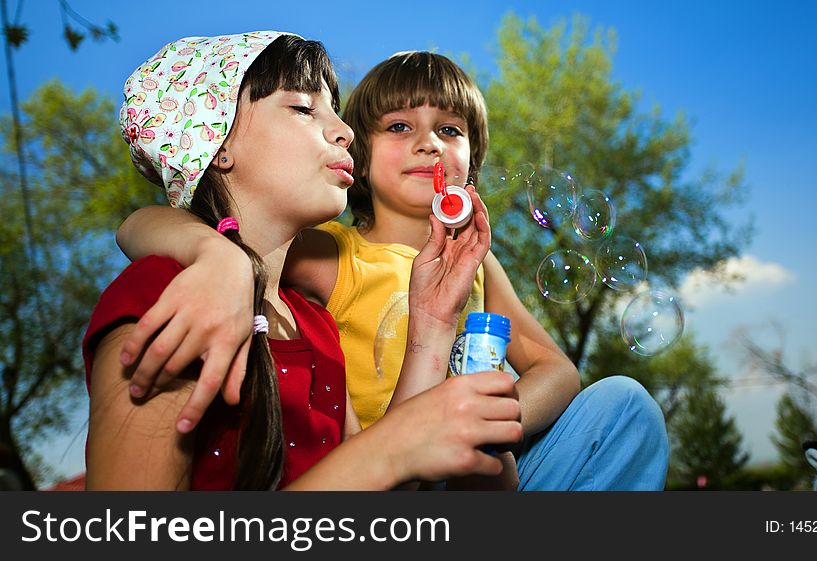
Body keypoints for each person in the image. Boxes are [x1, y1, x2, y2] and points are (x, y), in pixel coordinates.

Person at [115, 50, 669, 490]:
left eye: (450, 130)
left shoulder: (475, 261)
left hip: (473, 462)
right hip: (391, 473)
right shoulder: (331, 251)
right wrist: (219, 259)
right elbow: (172, 223)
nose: (428, 143)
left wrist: (487, 421)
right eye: (399, 127)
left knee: (623, 405)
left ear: (471, 161)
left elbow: (559, 370)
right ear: (359, 162)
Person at [84, 31, 522, 490]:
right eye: (303, 108)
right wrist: (389, 450)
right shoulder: (170, 296)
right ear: (219, 145)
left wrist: (432, 324)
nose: (346, 132)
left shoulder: (315, 326)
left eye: (334, 109)